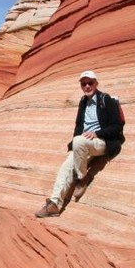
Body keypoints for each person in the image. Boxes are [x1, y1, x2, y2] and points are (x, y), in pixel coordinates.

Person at [35, 70, 124, 218]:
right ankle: (54, 204)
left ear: (96, 84)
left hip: (102, 142)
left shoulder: (106, 100)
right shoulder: (83, 102)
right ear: (81, 86)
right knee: (65, 167)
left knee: (78, 141)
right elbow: (78, 126)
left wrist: (97, 133)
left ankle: (82, 178)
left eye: (90, 83)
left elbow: (117, 126)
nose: (87, 86)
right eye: (84, 84)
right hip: (83, 143)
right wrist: (74, 146)